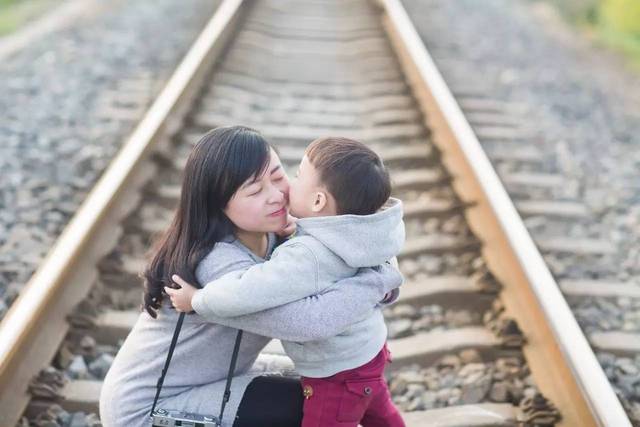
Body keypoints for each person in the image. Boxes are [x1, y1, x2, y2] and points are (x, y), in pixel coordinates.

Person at [99, 126, 402, 427]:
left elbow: (332, 255)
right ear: (218, 204)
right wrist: (379, 279)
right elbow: (309, 322)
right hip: (149, 408)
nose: (276, 196)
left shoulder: (275, 237)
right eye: (255, 191)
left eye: (278, 175)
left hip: (215, 377)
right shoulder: (217, 265)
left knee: (336, 377)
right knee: (327, 398)